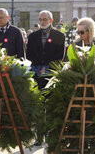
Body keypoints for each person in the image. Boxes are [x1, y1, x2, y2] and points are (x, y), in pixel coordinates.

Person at [27, 10, 65, 146]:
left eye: (45, 19)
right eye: (40, 19)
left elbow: (60, 56)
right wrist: (39, 66)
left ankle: (50, 134)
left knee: (51, 106)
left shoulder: (60, 36)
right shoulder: (33, 36)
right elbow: (29, 55)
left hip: (51, 76)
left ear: (51, 20)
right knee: (38, 106)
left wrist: (47, 67)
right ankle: (39, 136)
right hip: (37, 75)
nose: (42, 22)